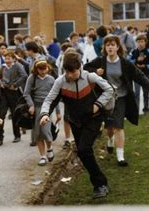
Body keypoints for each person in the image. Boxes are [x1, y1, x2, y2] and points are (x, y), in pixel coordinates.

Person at [39, 51, 114, 199]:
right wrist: (45, 114)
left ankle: (100, 184)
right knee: (83, 152)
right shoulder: (60, 82)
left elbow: (109, 89)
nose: (70, 75)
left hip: (94, 118)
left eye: (72, 72)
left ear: (79, 67)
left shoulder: (90, 77)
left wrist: (98, 105)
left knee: (84, 149)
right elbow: (49, 100)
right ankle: (101, 183)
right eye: (67, 71)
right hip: (75, 121)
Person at [84, 35, 149, 167]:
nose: (110, 47)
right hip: (106, 98)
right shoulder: (101, 61)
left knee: (118, 126)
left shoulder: (125, 63)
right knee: (110, 127)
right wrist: (96, 72)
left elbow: (139, 76)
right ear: (105, 48)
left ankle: (120, 156)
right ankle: (110, 139)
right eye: (108, 45)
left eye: (113, 44)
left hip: (121, 98)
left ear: (118, 47)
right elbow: (85, 68)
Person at [23, 60, 61, 165]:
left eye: (45, 69)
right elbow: (26, 93)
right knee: (38, 133)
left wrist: (58, 112)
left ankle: (49, 147)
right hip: (36, 108)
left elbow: (55, 97)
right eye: (40, 69)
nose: (43, 71)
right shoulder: (32, 78)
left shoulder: (52, 79)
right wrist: (31, 105)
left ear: (48, 68)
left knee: (46, 131)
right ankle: (42, 156)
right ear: (36, 69)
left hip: (47, 109)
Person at [0, 51, 28, 146]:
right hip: (4, 92)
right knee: (1, 114)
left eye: (9, 58)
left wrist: (15, 84)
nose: (7, 60)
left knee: (15, 113)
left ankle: (17, 135)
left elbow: (24, 75)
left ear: (13, 59)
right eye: (6, 58)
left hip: (14, 92)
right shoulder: (3, 67)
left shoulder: (17, 66)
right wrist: (0, 83)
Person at [128, 34, 149, 114]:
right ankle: (136, 110)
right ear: (136, 42)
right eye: (138, 41)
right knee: (136, 93)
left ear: (145, 42)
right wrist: (136, 61)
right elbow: (128, 61)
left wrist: (146, 66)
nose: (140, 43)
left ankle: (146, 109)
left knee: (146, 92)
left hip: (146, 74)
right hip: (136, 75)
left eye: (142, 42)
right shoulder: (133, 52)